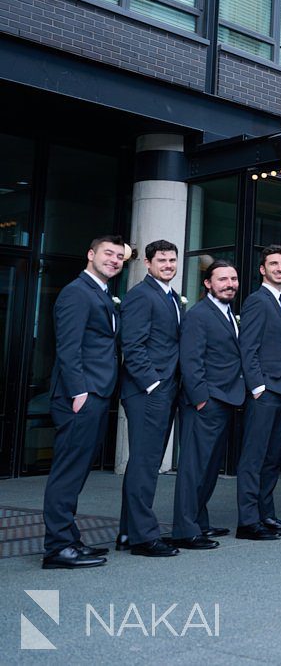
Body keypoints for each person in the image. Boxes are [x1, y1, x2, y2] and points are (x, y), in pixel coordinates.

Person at [42, 235, 125, 569]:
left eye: (120, 257)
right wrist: (79, 393)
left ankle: (69, 539)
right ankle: (58, 547)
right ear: (90, 254)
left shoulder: (100, 294)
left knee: (75, 472)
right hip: (81, 396)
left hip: (95, 393)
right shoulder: (77, 292)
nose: (114, 260)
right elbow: (68, 347)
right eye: (108, 254)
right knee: (66, 473)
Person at [170, 260, 245, 550]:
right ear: (208, 284)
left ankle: (199, 521)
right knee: (193, 467)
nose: (230, 284)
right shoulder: (199, 315)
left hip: (225, 399)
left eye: (234, 279)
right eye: (223, 279)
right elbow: (191, 360)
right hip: (206, 401)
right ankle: (184, 530)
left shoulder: (226, 313)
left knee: (210, 467)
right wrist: (201, 398)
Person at [117, 239, 182, 558]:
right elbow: (132, 344)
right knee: (145, 463)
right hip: (147, 391)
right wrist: (153, 385)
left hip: (164, 389)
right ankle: (144, 537)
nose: (168, 265)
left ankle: (129, 531)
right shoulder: (141, 295)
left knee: (146, 463)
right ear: (147, 263)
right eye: (162, 261)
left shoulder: (170, 297)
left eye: (172, 260)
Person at [236, 245, 281, 541]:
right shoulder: (257, 301)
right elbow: (247, 347)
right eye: (274, 263)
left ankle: (265, 512)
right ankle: (248, 521)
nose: (280, 268)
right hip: (265, 390)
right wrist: (257, 386)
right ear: (263, 269)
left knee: (273, 457)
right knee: (254, 457)